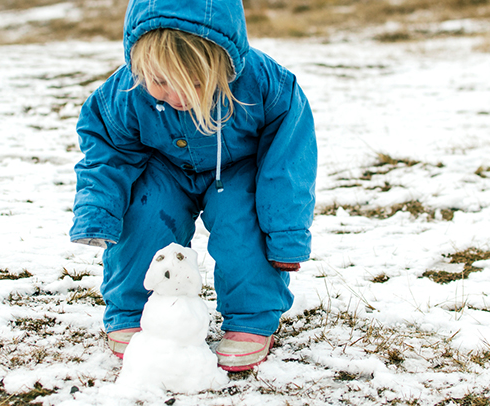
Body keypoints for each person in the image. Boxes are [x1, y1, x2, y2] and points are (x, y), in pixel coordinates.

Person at [70, 0, 317, 372]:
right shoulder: (123, 94)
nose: (178, 96)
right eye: (160, 82)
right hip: (162, 165)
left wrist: (287, 237)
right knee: (145, 212)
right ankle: (134, 310)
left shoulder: (268, 87)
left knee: (242, 223)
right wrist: (97, 213)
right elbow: (107, 154)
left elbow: (287, 166)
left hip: (237, 168)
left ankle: (250, 318)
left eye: (196, 83)